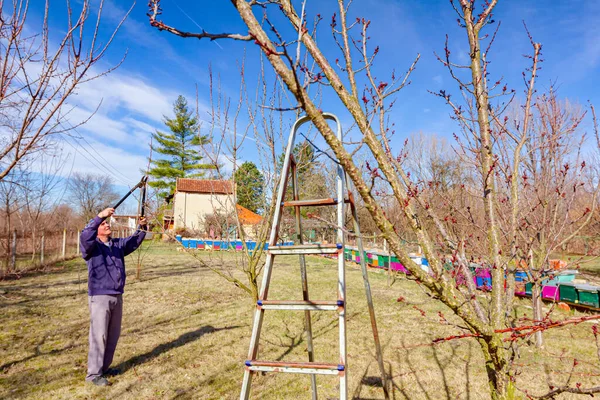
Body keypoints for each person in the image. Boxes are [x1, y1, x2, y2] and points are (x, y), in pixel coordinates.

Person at [80, 207, 147, 386]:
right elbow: (85, 234)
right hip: (100, 296)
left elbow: (133, 242)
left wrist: (142, 227)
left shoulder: (117, 245)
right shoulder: (91, 246)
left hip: (117, 295)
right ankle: (93, 374)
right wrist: (100, 216)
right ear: (97, 229)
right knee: (98, 335)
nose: (107, 224)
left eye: (106, 222)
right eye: (103, 224)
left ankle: (105, 368)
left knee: (112, 335)